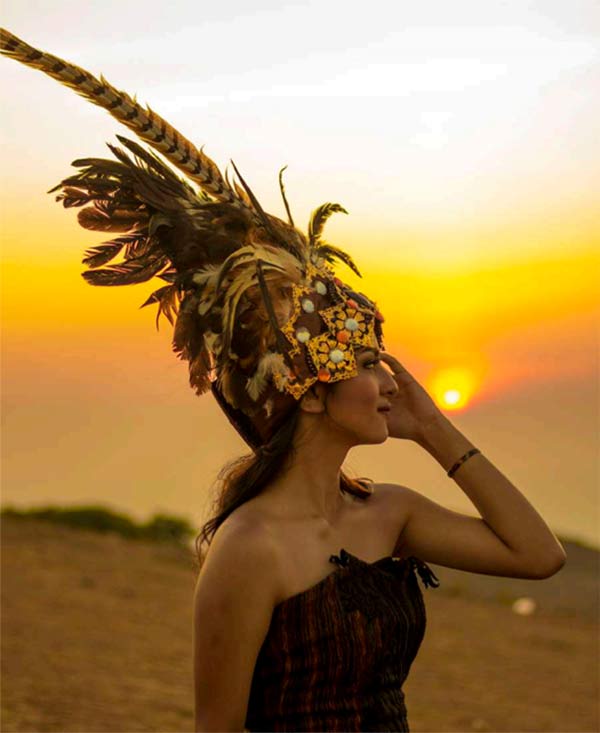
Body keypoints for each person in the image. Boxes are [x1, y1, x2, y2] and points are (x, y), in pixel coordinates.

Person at [0, 27, 567, 733]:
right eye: (364, 363)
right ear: (306, 388)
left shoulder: (387, 512)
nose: (388, 378)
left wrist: (431, 428)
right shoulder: (249, 548)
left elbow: (539, 555)